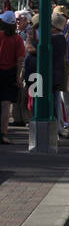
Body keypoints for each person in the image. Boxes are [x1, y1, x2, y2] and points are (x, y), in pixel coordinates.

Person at [0, 11, 26, 145]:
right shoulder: (17, 39)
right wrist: (18, 77)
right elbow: (20, 59)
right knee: (6, 105)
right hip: (10, 73)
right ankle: (3, 134)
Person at [50, 10, 69, 138]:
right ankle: (59, 127)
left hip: (59, 71)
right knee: (58, 100)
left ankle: (61, 127)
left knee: (61, 100)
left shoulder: (58, 38)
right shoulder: (60, 37)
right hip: (59, 71)